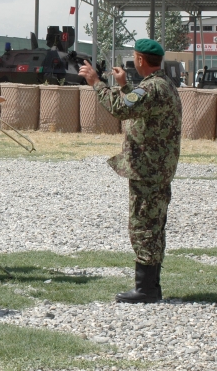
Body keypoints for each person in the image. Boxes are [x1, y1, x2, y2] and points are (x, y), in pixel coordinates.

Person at [78, 38, 182, 304]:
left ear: (139, 60)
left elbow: (120, 109)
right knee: (154, 224)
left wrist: (95, 82)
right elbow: (139, 104)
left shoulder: (151, 88)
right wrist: (124, 85)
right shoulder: (164, 84)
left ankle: (146, 289)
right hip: (158, 168)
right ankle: (150, 285)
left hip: (148, 169)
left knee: (143, 225)